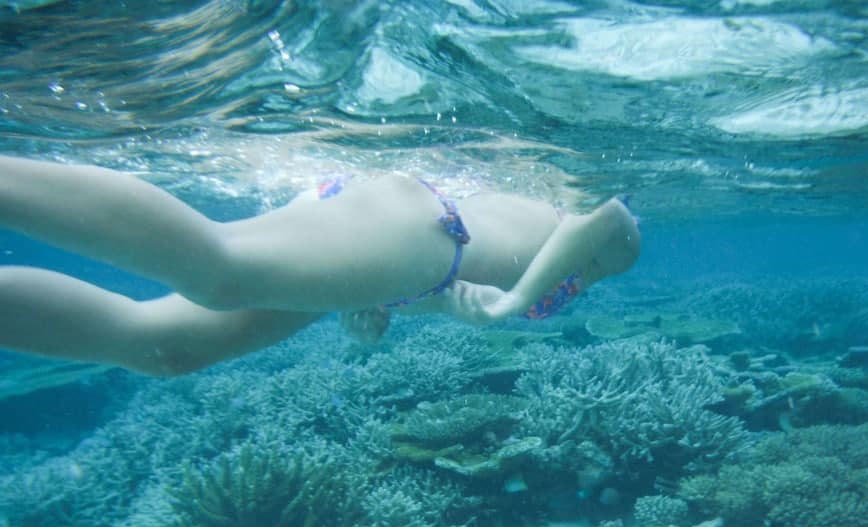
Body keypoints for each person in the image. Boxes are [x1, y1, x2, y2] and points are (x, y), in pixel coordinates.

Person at [0, 155, 640, 376]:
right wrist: (514, 303)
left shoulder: (554, 248)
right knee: (219, 270)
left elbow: (462, 287)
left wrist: (382, 306)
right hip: (426, 229)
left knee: (163, 349)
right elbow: (604, 214)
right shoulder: (614, 247)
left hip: (408, 257)